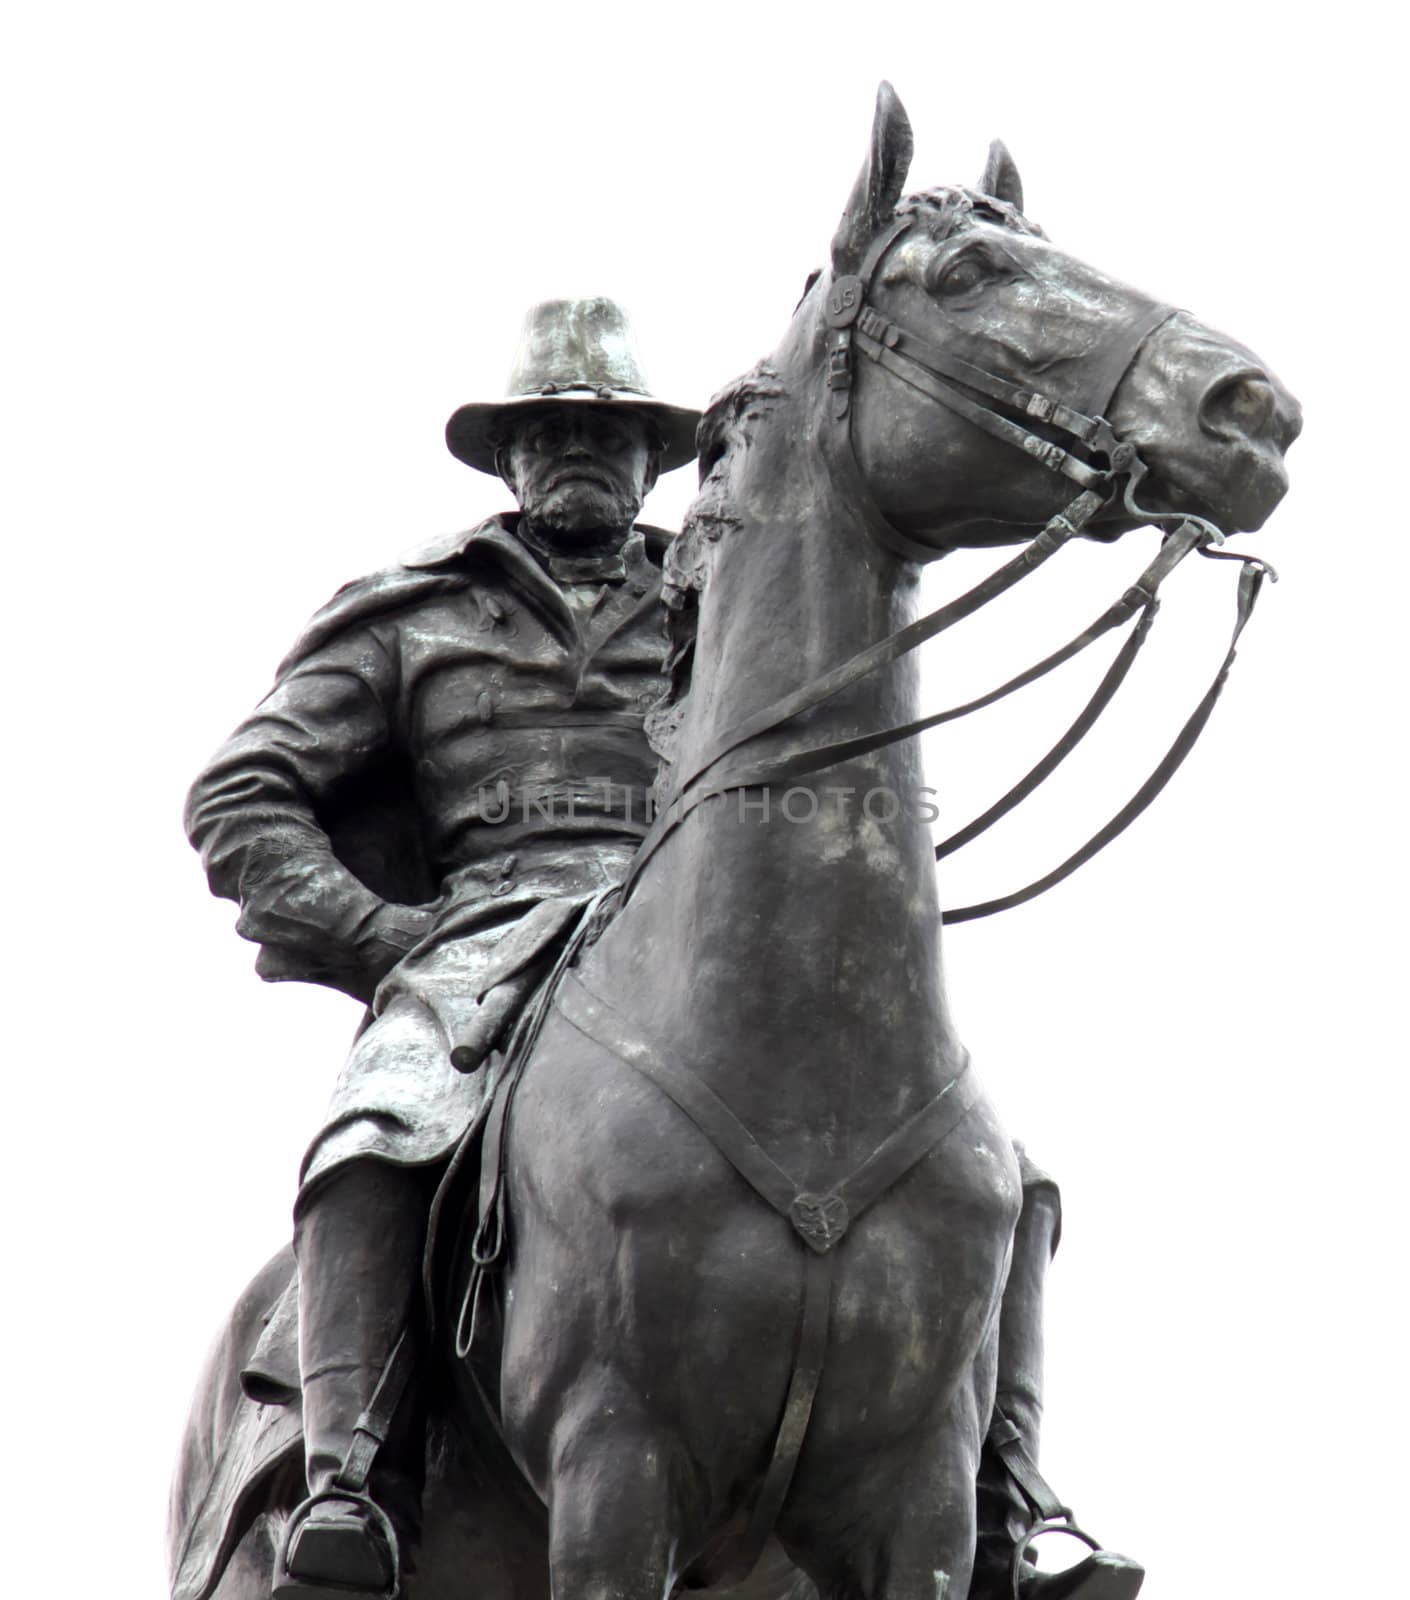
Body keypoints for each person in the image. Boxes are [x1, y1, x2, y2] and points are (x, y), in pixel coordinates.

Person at [187, 297, 1139, 1600]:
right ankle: (356, 1471)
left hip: (690, 922)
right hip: (486, 930)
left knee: (998, 1172)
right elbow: (244, 794)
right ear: (505, 452)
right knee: (378, 1124)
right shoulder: (409, 609)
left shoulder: (717, 593)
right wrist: (380, 934)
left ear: (654, 455)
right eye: (549, 431)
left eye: (614, 433)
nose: (581, 452)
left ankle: (1009, 1500)